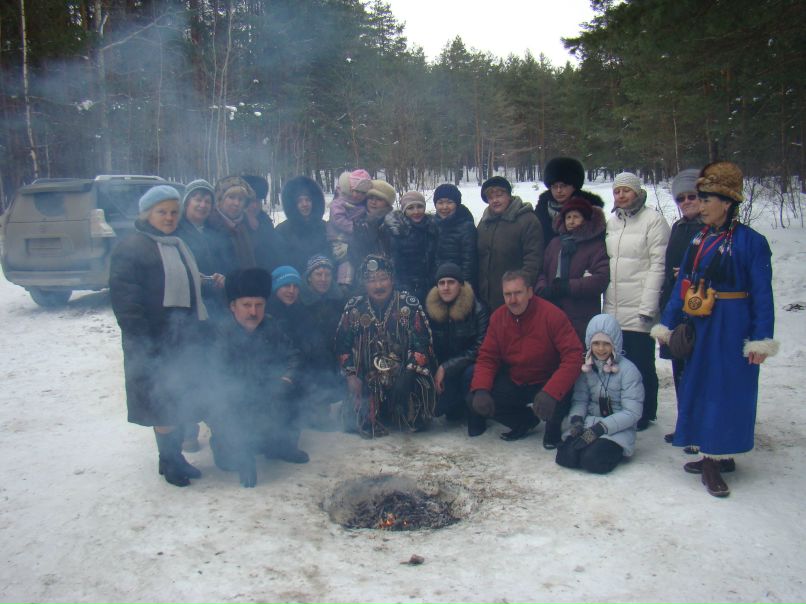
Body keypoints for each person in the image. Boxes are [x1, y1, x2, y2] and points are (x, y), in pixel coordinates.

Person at [652, 162, 778, 498]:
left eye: (707, 199)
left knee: (729, 389)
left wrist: (760, 338)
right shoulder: (699, 238)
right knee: (701, 384)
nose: (701, 206)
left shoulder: (752, 242)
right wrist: (668, 321)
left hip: (734, 326)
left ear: (726, 202)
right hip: (703, 323)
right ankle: (710, 455)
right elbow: (683, 284)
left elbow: (763, 295)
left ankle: (718, 455)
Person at [109, 185, 209, 487]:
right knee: (162, 404)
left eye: (173, 212)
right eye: (162, 212)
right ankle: (169, 460)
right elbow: (126, 302)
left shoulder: (175, 243)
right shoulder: (132, 247)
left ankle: (174, 458)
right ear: (147, 213)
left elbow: (184, 284)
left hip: (179, 338)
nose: (168, 217)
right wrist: (145, 343)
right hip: (151, 341)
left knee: (176, 400)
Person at [208, 268, 307, 488]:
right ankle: (238, 451)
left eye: (259, 305)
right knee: (229, 456)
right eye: (246, 305)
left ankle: (281, 445)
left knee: (297, 389)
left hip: (268, 395)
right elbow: (215, 383)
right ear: (232, 306)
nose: (253, 312)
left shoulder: (271, 326)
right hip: (233, 403)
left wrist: (286, 380)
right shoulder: (219, 334)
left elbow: (294, 357)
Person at [469, 270, 583, 449]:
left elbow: (574, 356)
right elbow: (487, 358)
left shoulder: (552, 315)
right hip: (518, 379)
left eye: (518, 293)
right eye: (508, 294)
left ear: (530, 292)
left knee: (559, 399)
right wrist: (481, 389)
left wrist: (552, 392)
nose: (513, 300)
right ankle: (524, 421)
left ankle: (553, 428)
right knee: (477, 397)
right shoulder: (498, 318)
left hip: (548, 381)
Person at [334, 254, 436, 437]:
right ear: (364, 283)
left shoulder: (408, 305)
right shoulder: (354, 308)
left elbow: (423, 343)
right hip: (368, 378)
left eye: (383, 278)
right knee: (353, 421)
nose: (378, 285)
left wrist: (409, 374)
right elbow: (342, 345)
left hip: (404, 375)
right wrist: (351, 376)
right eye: (371, 280)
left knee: (418, 408)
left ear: (392, 279)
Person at [603, 172, 670, 431]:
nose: (621, 196)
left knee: (642, 362)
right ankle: (625, 407)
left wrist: (648, 306)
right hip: (615, 305)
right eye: (617, 191)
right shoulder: (613, 223)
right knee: (618, 361)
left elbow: (658, 265)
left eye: (626, 191)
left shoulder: (653, 221)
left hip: (640, 304)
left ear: (637, 193)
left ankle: (645, 411)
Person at [174, 178, 227, 453]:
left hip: (215, 310)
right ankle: (187, 429)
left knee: (214, 367)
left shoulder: (213, 231)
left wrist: (221, 276)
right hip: (186, 313)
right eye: (197, 199)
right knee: (190, 370)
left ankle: (218, 422)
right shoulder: (177, 232)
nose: (203, 204)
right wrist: (201, 279)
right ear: (187, 203)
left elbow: (224, 262)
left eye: (207, 200)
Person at [556, 314, 644, 474]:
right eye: (596, 343)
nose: (601, 349)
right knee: (565, 457)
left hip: (617, 429)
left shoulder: (628, 371)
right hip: (589, 424)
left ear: (614, 344)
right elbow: (580, 399)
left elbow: (632, 412)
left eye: (606, 344)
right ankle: (586, 448)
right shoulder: (587, 369)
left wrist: (601, 428)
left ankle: (610, 452)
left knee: (591, 460)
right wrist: (576, 420)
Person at [658, 169, 703, 444]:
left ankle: (699, 428)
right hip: (676, 308)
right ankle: (685, 423)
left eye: (692, 196)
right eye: (681, 198)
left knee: (698, 371)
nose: (686, 202)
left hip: (699, 310)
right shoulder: (678, 227)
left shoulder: (711, 229)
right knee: (679, 369)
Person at [535, 196, 609, 343]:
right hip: (553, 309)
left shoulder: (595, 245)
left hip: (581, 313)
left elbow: (600, 278)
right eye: (568, 217)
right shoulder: (555, 244)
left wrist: (569, 286)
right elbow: (542, 270)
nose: (571, 221)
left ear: (585, 219)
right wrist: (543, 287)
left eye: (576, 216)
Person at [424, 262, 489, 421]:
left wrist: (446, 367)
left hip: (468, 366)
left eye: (451, 282)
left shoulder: (478, 309)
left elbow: (480, 347)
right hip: (445, 370)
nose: (446, 287)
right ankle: (456, 404)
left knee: (470, 373)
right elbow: (427, 344)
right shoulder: (431, 310)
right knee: (437, 410)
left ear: (460, 284)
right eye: (441, 283)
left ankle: (476, 414)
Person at [476, 176, 543, 311]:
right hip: (486, 299)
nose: (495, 200)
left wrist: (520, 291)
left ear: (509, 195)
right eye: (490, 197)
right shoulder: (484, 223)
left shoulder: (527, 220)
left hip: (515, 299)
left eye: (499, 195)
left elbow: (533, 260)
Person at [535, 157, 605, 251]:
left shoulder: (590, 211)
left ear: (574, 185)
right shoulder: (541, 210)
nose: (559, 191)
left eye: (563, 185)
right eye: (555, 186)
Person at [383, 191, 438, 303]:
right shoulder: (397, 231)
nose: (416, 211)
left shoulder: (432, 227)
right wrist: (402, 289)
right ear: (404, 210)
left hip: (431, 287)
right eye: (410, 208)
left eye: (420, 207)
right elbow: (395, 264)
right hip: (406, 289)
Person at [327, 169, 372, 290]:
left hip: (352, 239)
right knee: (346, 259)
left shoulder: (361, 205)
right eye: (355, 191)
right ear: (349, 189)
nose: (358, 195)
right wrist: (354, 228)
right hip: (338, 238)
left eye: (362, 193)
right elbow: (337, 219)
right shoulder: (339, 202)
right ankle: (344, 283)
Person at [275, 175, 330, 273]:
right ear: (293, 204)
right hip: (294, 284)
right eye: (299, 201)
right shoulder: (282, 230)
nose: (304, 204)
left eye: (307, 200)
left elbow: (331, 257)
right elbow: (279, 261)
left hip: (321, 282)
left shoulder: (325, 228)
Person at [206, 176, 259, 273]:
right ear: (220, 199)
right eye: (231, 197)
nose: (236, 203)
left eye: (241, 199)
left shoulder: (249, 227)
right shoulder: (209, 226)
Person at [432, 183, 477, 287]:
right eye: (440, 202)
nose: (444, 207)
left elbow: (469, 263)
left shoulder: (466, 227)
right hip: (436, 283)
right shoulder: (431, 224)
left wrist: (464, 287)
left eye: (449, 202)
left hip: (457, 283)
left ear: (457, 204)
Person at [350, 179, 395, 278]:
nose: (373, 202)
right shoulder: (358, 221)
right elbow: (354, 253)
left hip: (389, 276)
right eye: (370, 198)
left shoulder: (394, 223)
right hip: (365, 277)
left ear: (387, 203)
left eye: (379, 199)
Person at [241, 174, 280, 272]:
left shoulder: (266, 223)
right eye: (250, 201)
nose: (254, 206)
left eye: (257, 201)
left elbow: (274, 255)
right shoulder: (233, 224)